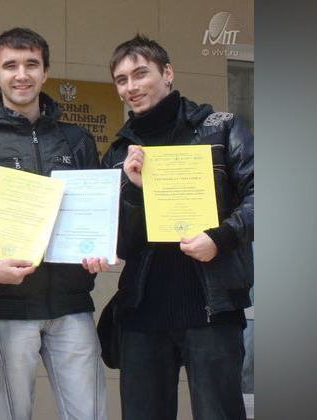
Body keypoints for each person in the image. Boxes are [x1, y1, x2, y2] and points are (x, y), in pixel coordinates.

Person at [0, 27, 109, 420]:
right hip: (4, 307)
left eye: (31, 64)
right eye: (10, 66)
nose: (22, 74)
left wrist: (99, 249)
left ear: (45, 71)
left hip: (72, 305)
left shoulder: (77, 141)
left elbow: (98, 215)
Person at [102, 34, 253, 420]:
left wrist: (220, 238)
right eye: (121, 80)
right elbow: (118, 241)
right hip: (142, 313)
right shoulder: (118, 153)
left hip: (212, 309)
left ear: (167, 73)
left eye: (141, 74)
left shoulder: (221, 129)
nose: (131, 87)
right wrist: (133, 191)